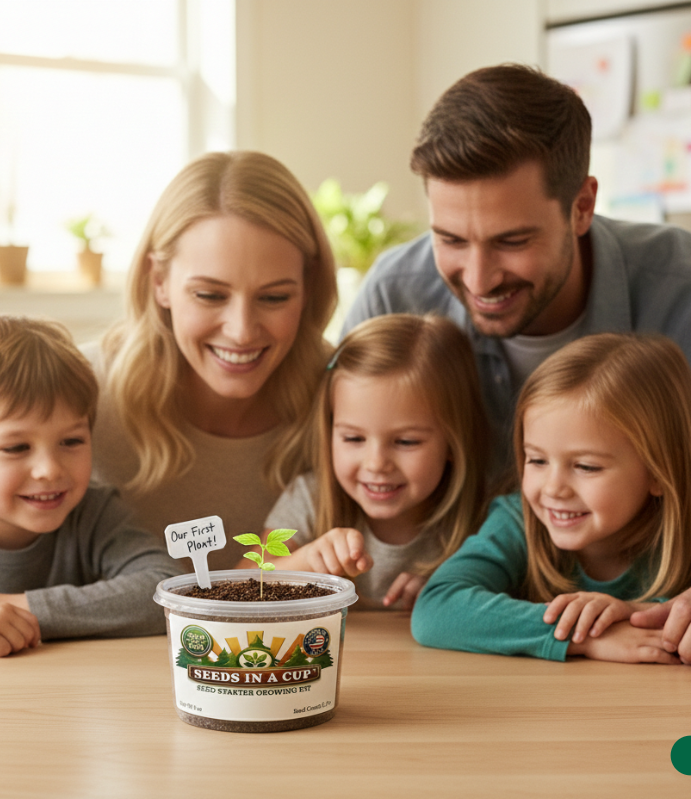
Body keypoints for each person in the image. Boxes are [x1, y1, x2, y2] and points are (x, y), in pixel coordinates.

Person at [0, 152, 337, 573]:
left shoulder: (347, 391)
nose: (241, 330)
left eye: (275, 297)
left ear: (309, 283)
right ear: (158, 281)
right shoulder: (74, 387)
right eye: (209, 295)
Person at [342, 63, 691, 470]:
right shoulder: (394, 295)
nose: (479, 279)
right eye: (451, 239)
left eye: (511, 241)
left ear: (581, 208)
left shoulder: (679, 289)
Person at [0, 316, 179, 658]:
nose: (49, 470)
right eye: (16, 448)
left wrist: (20, 607)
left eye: (71, 441)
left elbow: (163, 588)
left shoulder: (95, 513)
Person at [411, 333, 691, 664]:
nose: (553, 488)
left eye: (586, 466)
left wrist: (642, 613)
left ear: (660, 471)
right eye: (537, 460)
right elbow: (437, 608)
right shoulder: (517, 521)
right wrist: (583, 635)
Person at [261, 313, 490, 610]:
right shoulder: (310, 498)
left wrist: (448, 594)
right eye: (354, 439)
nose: (376, 463)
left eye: (406, 442)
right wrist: (303, 562)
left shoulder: (483, 518)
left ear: (454, 441)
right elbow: (242, 582)